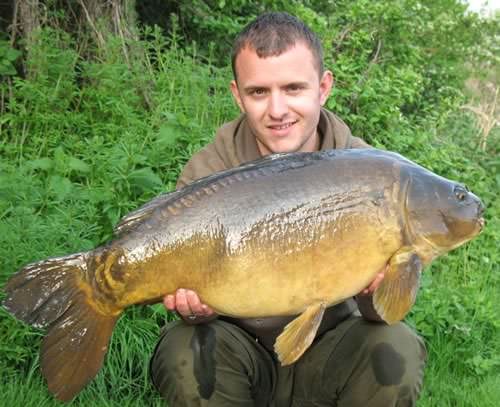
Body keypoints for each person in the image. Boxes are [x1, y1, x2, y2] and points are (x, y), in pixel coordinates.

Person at [150, 12, 426, 406]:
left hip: (328, 350)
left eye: (294, 88)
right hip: (239, 353)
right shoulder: (210, 172)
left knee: (394, 345)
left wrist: (374, 291)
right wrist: (194, 309)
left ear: (323, 87)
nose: (277, 110)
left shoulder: (376, 177)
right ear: (237, 94)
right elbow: (190, 304)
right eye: (259, 92)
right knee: (185, 347)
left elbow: (381, 314)